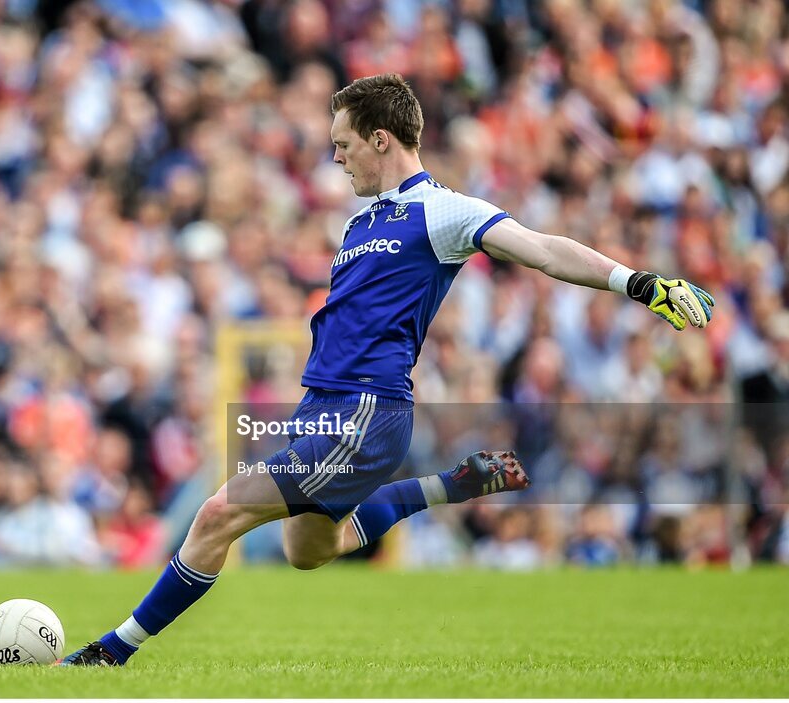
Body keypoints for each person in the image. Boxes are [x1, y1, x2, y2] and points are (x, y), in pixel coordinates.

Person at [57, 73, 715, 666]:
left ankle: (112, 652)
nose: (335, 157)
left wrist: (639, 283)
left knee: (217, 514)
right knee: (309, 550)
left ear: (379, 139)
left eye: (342, 143)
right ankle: (449, 485)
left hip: (365, 412)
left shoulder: (443, 210)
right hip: (323, 408)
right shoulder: (358, 223)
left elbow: (541, 249)